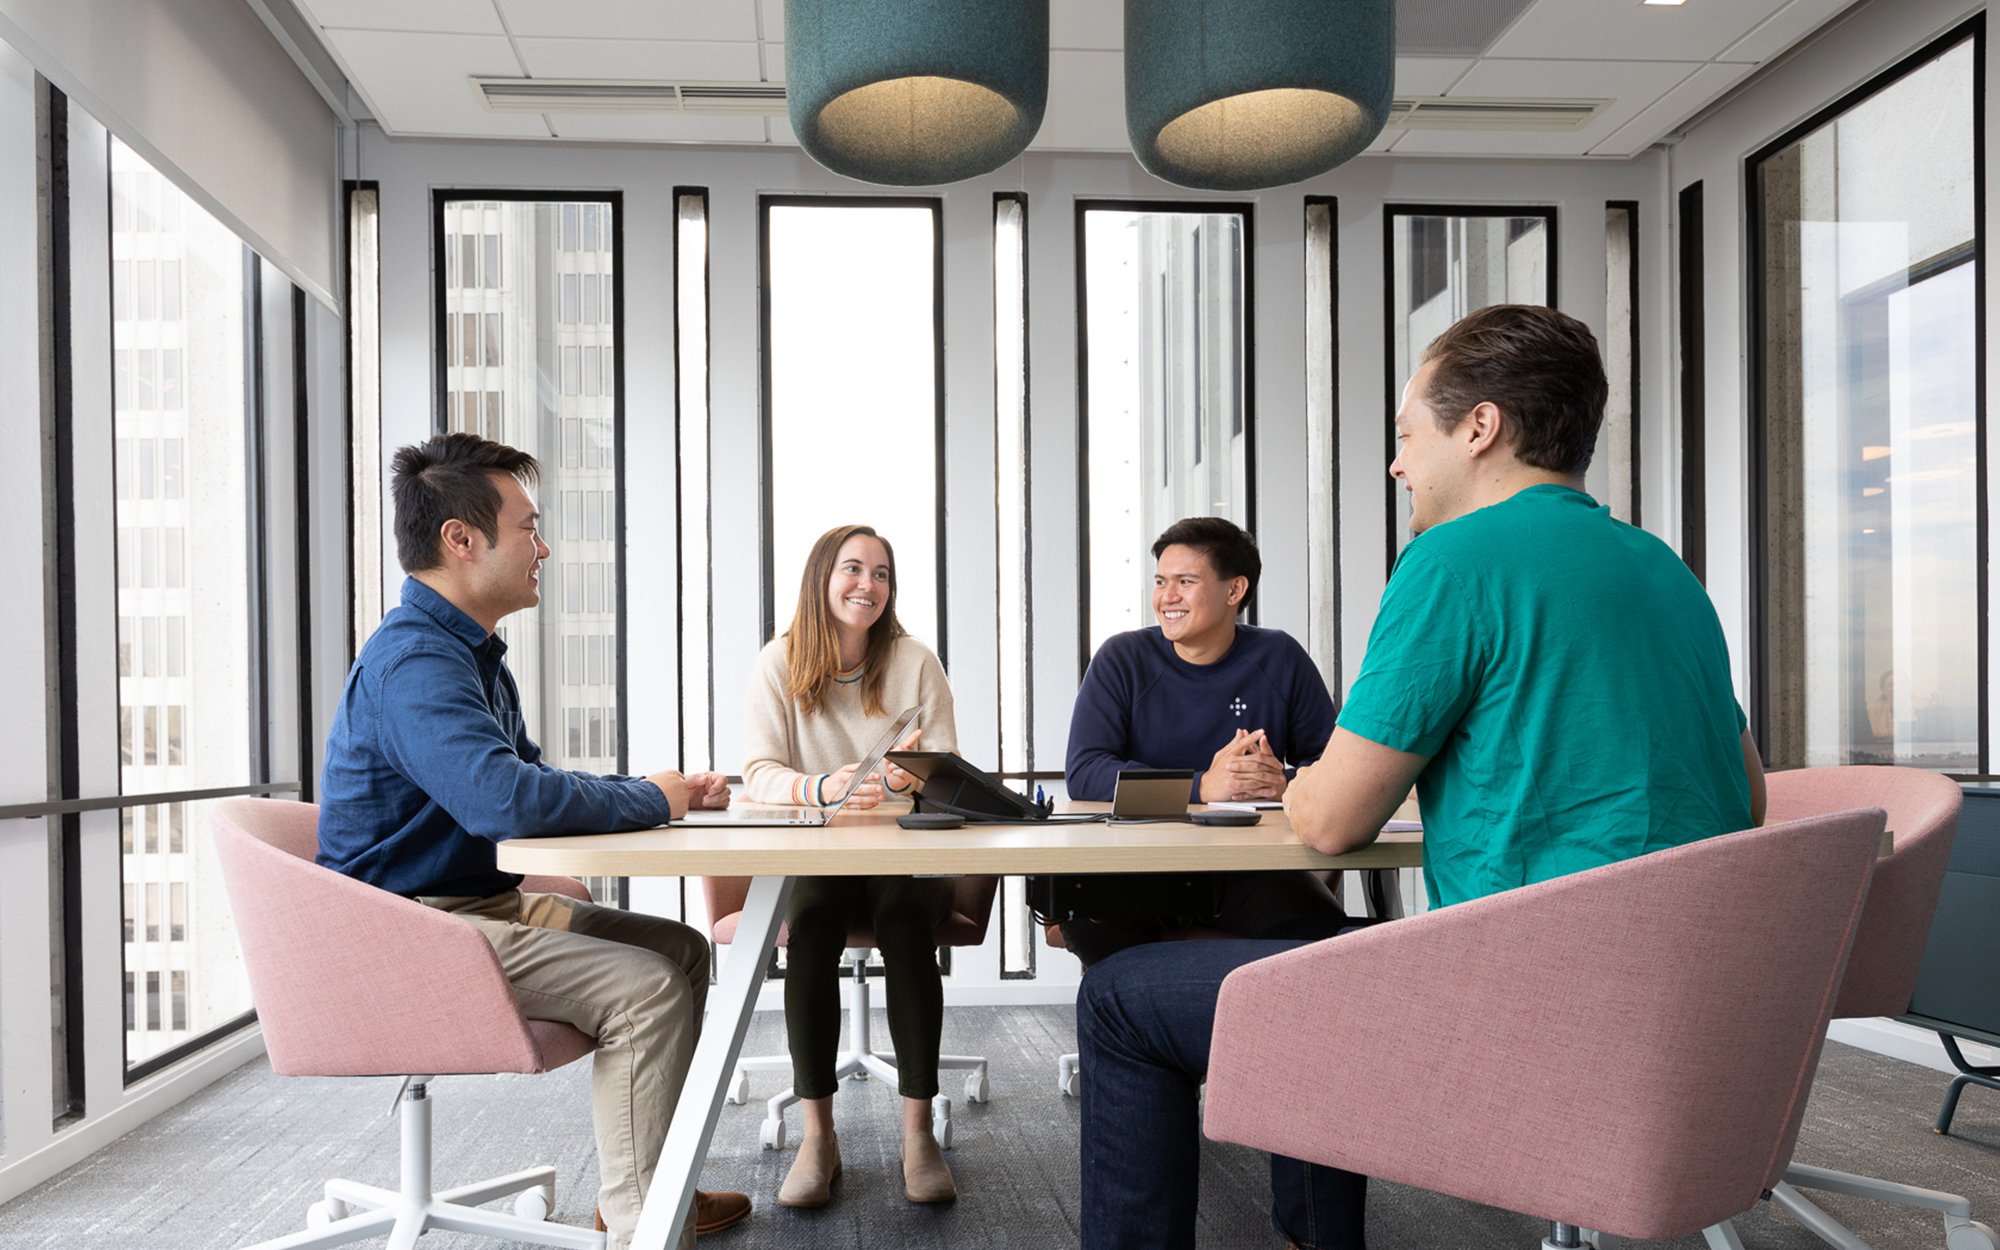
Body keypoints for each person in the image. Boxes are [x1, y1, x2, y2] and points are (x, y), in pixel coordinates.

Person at [1075, 305, 1767, 1250]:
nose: (1398, 464)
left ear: (1479, 428)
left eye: (1406, 436)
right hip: (1692, 1023)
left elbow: (1327, 818)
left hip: (1521, 1014)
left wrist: (1325, 777)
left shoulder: (1451, 561)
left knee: (1119, 997)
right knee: (1331, 951)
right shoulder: (1665, 571)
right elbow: (1748, 800)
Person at [317, 433, 749, 1250]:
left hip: (471, 906)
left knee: (683, 952)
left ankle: (646, 1191)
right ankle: (641, 1231)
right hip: (410, 931)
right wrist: (651, 798)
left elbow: (534, 786)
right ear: (460, 538)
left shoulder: (470, 655)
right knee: (645, 989)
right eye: (528, 527)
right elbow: (504, 801)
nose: (543, 546)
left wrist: (664, 795)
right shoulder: (415, 662)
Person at [741, 524, 961, 1209]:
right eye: (853, 569)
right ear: (821, 578)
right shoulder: (779, 663)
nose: (868, 585)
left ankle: (918, 1133)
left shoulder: (915, 663)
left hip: (903, 852)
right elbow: (758, 774)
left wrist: (910, 778)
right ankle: (818, 1137)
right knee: (808, 932)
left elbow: (950, 778)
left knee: (904, 924)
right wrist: (822, 787)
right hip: (819, 849)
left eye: (883, 573)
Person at [1060, 516, 1346, 966]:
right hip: (1139, 864)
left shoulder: (1280, 657)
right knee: (1092, 923)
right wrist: (1203, 788)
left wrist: (1284, 784)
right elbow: (1085, 772)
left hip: (1250, 868)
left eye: (1185, 581)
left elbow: (1335, 768)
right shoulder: (1123, 658)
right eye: (1160, 582)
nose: (1166, 597)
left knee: (1320, 939)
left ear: (1234, 591)